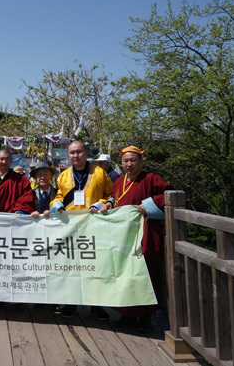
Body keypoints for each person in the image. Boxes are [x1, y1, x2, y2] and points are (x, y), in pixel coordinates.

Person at [104, 145, 173, 333]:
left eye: (133, 160)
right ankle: (128, 314)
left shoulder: (150, 179)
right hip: (123, 236)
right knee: (126, 274)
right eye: (125, 161)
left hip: (144, 233)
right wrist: (109, 203)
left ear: (141, 161)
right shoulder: (119, 181)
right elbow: (114, 197)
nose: (129, 164)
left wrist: (150, 203)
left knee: (146, 274)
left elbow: (170, 194)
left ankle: (146, 316)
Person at [49, 140, 112, 320]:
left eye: (79, 152)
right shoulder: (63, 175)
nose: (75, 156)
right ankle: (71, 302)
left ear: (86, 152)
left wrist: (100, 204)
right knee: (71, 265)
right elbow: (58, 195)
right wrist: (58, 204)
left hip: (94, 226)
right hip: (70, 226)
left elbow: (110, 195)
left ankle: (96, 305)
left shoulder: (100, 173)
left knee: (95, 266)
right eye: (72, 153)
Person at [0, 149, 34, 213]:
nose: (4, 162)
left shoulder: (21, 179)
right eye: (1, 159)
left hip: (14, 216)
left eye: (7, 159)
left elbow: (26, 199)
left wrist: (18, 212)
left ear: (11, 160)